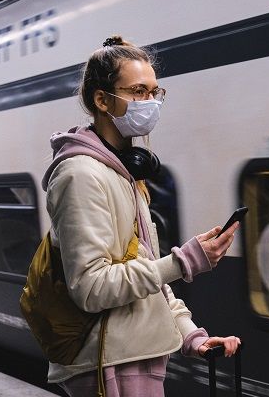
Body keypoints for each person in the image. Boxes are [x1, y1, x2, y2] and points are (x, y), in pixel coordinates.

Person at [41, 35, 241, 396]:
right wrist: (185, 262)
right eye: (137, 91)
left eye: (154, 92)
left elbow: (147, 277)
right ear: (101, 100)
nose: (149, 103)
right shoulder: (81, 176)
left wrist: (192, 337)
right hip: (107, 365)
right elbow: (91, 288)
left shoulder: (125, 174)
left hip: (136, 358)